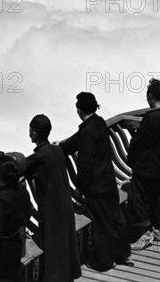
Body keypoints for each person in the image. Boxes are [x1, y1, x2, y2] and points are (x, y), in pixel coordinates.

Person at [59, 92, 133, 271]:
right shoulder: (98, 123)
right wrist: (61, 146)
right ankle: (123, 254)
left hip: (96, 187)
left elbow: (85, 165)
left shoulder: (87, 132)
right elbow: (75, 141)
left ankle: (105, 261)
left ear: (79, 110)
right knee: (116, 219)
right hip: (108, 181)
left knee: (101, 225)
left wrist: (80, 188)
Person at [21, 114, 82, 282]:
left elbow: (21, 168)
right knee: (65, 247)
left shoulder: (40, 156)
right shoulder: (56, 150)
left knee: (55, 252)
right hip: (66, 206)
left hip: (52, 211)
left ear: (33, 133)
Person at [127, 80, 160, 250]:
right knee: (156, 196)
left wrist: (131, 158)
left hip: (146, 164)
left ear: (151, 96)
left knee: (137, 196)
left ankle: (144, 232)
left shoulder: (151, 117)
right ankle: (158, 229)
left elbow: (139, 141)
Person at [0, 155, 32, 282]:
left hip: (1, 252)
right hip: (15, 243)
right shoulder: (22, 190)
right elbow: (27, 213)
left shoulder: (0, 199)